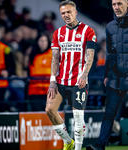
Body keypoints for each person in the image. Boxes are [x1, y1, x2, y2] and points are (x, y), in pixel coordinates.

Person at [86, 0, 128, 150]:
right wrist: (106, 75)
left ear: (127, 3)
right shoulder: (110, 27)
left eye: (119, 3)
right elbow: (109, 54)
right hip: (115, 78)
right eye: (113, 4)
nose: (116, 7)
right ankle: (100, 146)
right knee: (109, 114)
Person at [45, 1, 96, 150]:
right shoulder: (58, 33)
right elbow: (55, 58)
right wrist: (52, 81)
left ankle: (78, 148)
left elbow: (90, 55)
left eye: (68, 12)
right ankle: (68, 141)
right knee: (49, 110)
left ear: (75, 12)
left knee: (78, 118)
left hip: (78, 81)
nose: (66, 15)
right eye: (63, 13)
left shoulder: (88, 31)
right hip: (60, 81)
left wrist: (84, 74)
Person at [26, 34, 52, 111]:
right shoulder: (32, 55)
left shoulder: (54, 54)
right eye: (41, 41)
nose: (43, 43)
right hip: (35, 91)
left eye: (45, 41)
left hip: (50, 91)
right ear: (37, 42)